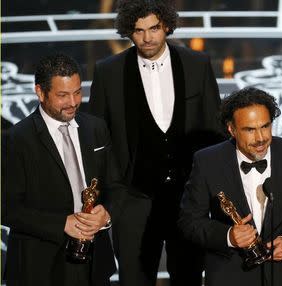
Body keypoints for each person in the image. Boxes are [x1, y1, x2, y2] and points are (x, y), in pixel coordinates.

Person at [89, 0, 223, 285]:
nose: (147, 37)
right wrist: (113, 196)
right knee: (135, 279)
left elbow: (214, 131)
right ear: (128, 31)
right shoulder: (108, 71)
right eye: (138, 30)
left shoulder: (197, 64)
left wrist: (211, 194)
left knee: (188, 277)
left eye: (154, 28)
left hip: (187, 200)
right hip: (133, 200)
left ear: (167, 26)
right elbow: (97, 139)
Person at [179, 87, 282, 286]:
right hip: (230, 276)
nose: (260, 138)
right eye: (250, 129)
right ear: (231, 129)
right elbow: (189, 221)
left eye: (265, 126)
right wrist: (228, 236)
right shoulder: (207, 161)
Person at [3, 53, 125, 286]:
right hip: (40, 268)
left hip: (94, 264)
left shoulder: (96, 128)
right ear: (40, 92)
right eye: (62, 95)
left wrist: (106, 214)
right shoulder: (16, 139)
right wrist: (62, 224)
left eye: (77, 92)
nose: (73, 102)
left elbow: (115, 186)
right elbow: (7, 207)